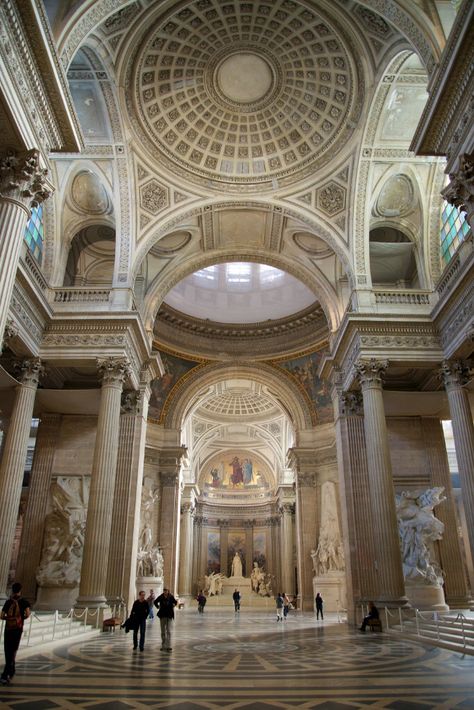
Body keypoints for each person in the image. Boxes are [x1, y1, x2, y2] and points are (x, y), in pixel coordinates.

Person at [1, 582, 31, 685]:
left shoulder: (8, 602)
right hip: (18, 629)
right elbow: (27, 614)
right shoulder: (24, 602)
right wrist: (20, 619)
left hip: (8, 628)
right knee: (13, 650)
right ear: (20, 590)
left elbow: (1, 615)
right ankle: (5, 674)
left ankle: (11, 670)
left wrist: (8, 619)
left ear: (12, 590)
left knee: (7, 649)